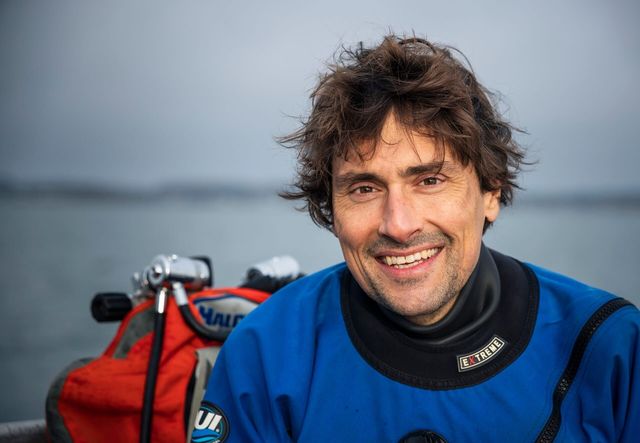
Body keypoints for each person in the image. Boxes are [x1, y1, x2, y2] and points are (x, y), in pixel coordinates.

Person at [192, 35, 640, 442]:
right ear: (331, 210)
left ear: (490, 192)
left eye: (429, 180)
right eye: (364, 189)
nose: (399, 225)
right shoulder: (267, 355)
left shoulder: (607, 346)